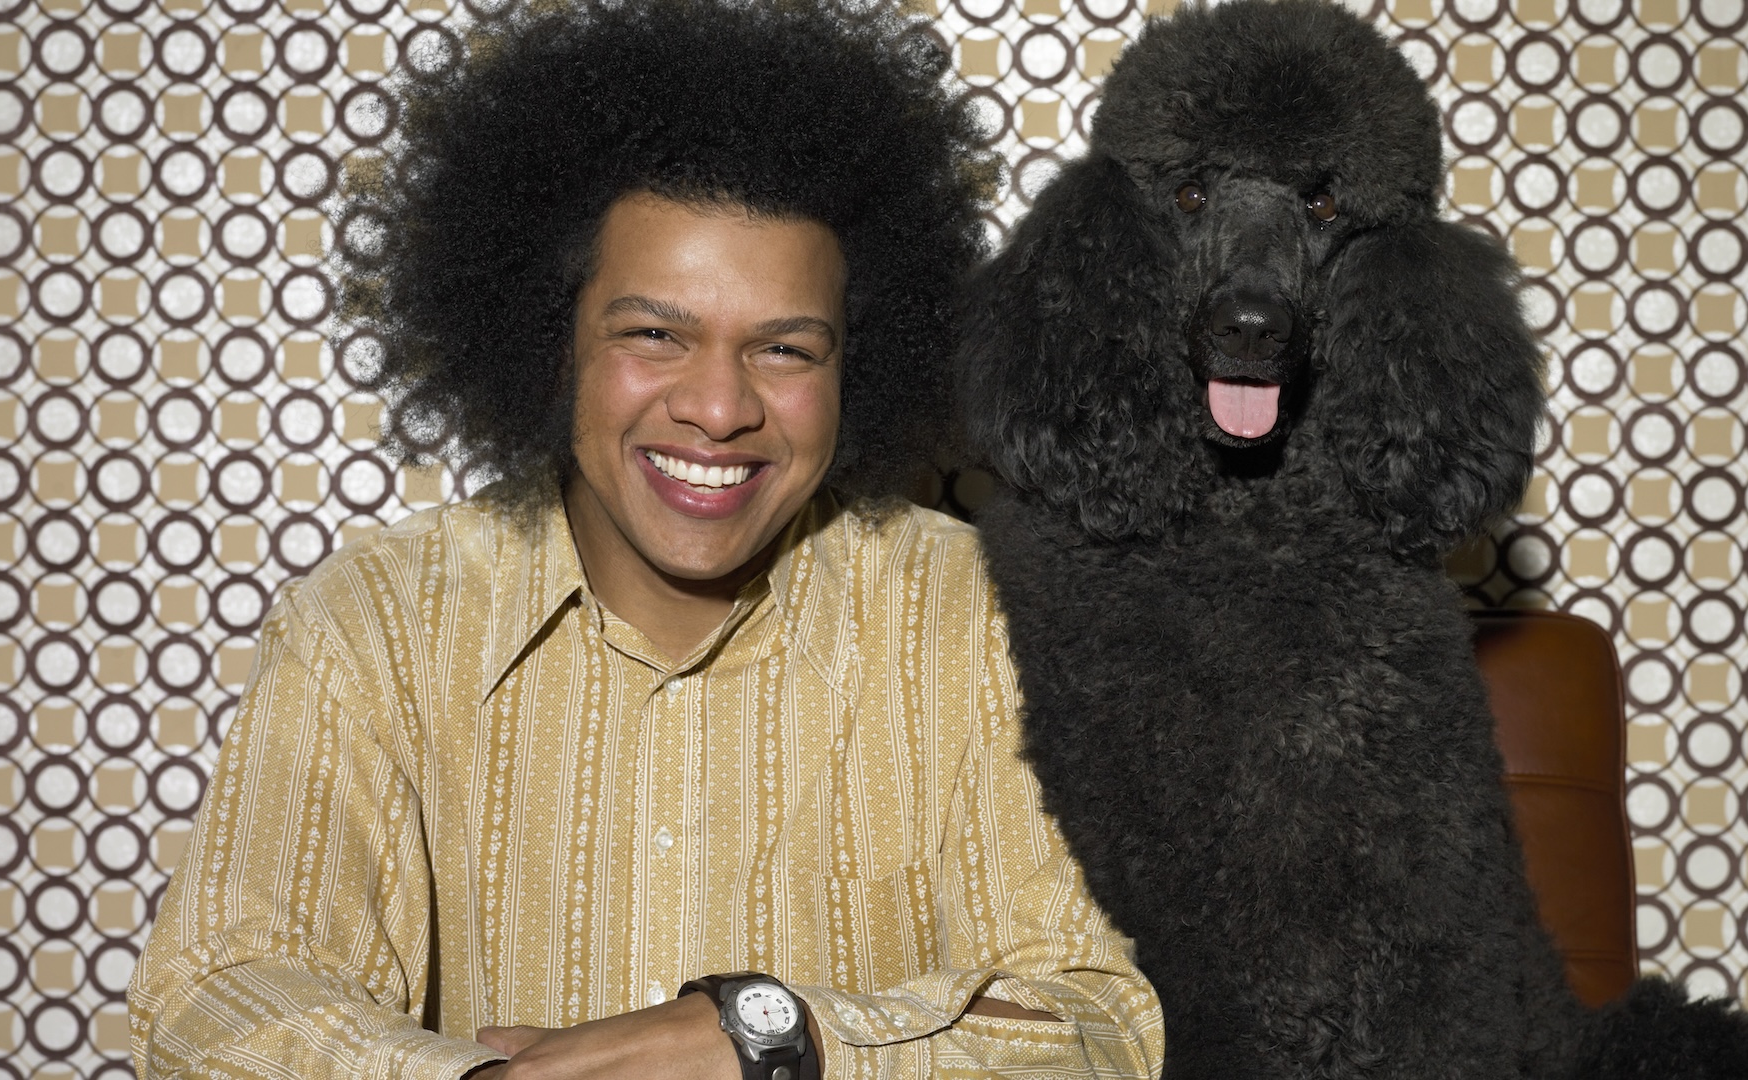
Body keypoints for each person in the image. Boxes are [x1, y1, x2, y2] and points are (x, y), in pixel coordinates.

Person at [127, 1, 1165, 1077]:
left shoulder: (986, 619)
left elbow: (1097, 1025)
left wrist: (784, 1045)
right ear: (551, 336)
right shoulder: (378, 621)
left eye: (785, 350)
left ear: (857, 365)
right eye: (655, 334)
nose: (718, 408)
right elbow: (215, 992)